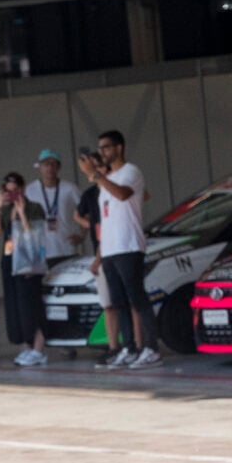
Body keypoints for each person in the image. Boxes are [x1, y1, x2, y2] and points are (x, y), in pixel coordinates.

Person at [77, 129, 156, 368]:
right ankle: (129, 347)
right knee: (118, 302)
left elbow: (122, 195)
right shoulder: (105, 180)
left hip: (128, 245)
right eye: (100, 148)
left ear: (119, 148)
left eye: (106, 147)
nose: (102, 152)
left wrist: (96, 176)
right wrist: (100, 254)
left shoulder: (131, 172)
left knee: (137, 299)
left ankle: (151, 348)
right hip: (110, 249)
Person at [0, 172, 52, 366]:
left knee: (30, 305)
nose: (13, 196)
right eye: (9, 192)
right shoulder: (6, 208)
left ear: (23, 188)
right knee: (15, 306)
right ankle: (25, 346)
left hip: (28, 260)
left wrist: (22, 213)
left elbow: (34, 235)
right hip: (10, 259)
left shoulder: (34, 208)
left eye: (16, 191)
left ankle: (38, 348)